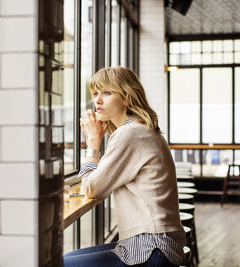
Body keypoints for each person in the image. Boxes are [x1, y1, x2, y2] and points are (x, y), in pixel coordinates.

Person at [63, 66, 185, 267]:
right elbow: (101, 179)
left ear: (127, 97)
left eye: (107, 93)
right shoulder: (139, 130)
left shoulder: (130, 133)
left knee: (63, 264)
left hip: (151, 247)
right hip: (152, 243)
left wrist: (93, 144)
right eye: (95, 94)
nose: (97, 101)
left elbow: (91, 187)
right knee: (68, 259)